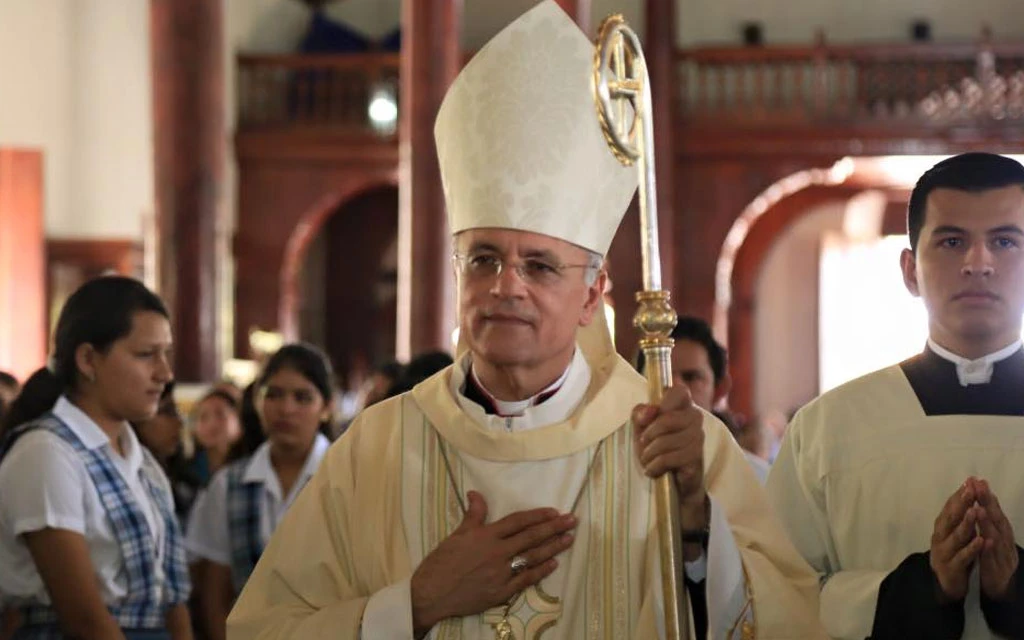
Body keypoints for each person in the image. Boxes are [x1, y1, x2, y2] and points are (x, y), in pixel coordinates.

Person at [225, 4, 823, 639]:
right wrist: (416, 604)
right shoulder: (378, 447)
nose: (505, 285)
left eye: (539, 266)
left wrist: (697, 523)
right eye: (483, 259)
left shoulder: (670, 442)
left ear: (592, 296)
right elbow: (261, 629)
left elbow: (786, 620)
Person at [767, 152, 1024, 639]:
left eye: (1005, 241)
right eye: (952, 242)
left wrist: (1015, 588)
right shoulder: (828, 428)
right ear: (910, 271)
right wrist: (920, 591)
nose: (978, 264)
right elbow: (776, 595)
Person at [0, 276, 191, 639]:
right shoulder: (47, 453)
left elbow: (172, 601)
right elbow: (84, 618)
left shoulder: (144, 463)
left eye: (166, 354)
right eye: (146, 354)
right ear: (88, 360)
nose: (164, 374)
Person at [186, 344, 333, 640]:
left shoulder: (346, 477)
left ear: (326, 408)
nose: (286, 409)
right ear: (256, 401)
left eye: (302, 397)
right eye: (273, 394)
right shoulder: (229, 484)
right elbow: (215, 591)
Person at [636, 316, 770, 483]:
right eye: (660, 378)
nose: (675, 390)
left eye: (691, 377)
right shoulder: (618, 478)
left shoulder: (757, 481)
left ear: (719, 390)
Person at [133, 382, 204, 530]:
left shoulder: (186, 485)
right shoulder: (130, 483)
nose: (179, 422)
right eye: (167, 411)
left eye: (176, 411)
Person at [189, 388, 243, 484]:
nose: (212, 424)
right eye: (203, 417)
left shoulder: (250, 468)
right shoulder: (186, 473)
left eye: (220, 414)